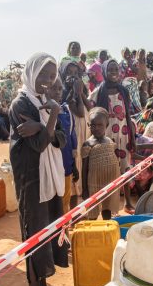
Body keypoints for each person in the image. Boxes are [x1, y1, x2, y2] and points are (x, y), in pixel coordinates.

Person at [9, 52, 69, 286]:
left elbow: (60, 138)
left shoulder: (43, 102)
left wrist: (45, 126)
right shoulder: (21, 104)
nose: (47, 80)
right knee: (35, 237)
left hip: (50, 178)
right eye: (43, 74)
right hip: (32, 181)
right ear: (32, 73)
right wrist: (52, 116)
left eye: (51, 75)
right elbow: (37, 146)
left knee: (48, 233)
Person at [89, 59, 136, 212]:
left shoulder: (123, 91)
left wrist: (133, 136)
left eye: (116, 69)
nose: (114, 73)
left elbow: (128, 115)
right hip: (106, 138)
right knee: (107, 170)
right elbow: (90, 113)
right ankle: (107, 207)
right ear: (103, 72)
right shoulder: (98, 92)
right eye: (110, 70)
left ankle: (128, 202)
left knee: (125, 168)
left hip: (123, 136)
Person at [81, 108, 121, 220]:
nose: (96, 128)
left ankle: (106, 228)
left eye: (100, 125)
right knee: (92, 210)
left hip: (109, 181)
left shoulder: (110, 141)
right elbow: (84, 168)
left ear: (106, 125)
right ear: (89, 125)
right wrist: (84, 189)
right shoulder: (88, 144)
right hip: (93, 183)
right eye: (93, 125)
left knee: (107, 209)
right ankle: (93, 232)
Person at [61, 59, 89, 207]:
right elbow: (79, 112)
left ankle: (78, 207)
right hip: (73, 135)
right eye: (69, 73)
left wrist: (81, 92)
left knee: (82, 165)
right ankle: (71, 210)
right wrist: (76, 92)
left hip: (83, 132)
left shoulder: (81, 90)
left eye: (76, 73)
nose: (73, 76)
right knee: (74, 167)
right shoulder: (64, 92)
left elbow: (88, 106)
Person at [48, 77, 78, 213]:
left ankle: (64, 231)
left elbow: (72, 140)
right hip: (51, 167)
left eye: (60, 89)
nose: (58, 92)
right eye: (53, 88)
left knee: (65, 201)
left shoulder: (67, 112)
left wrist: (74, 166)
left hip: (66, 166)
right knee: (53, 203)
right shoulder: (43, 112)